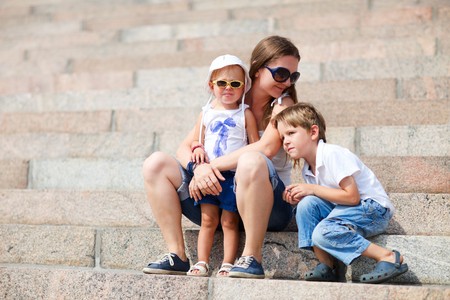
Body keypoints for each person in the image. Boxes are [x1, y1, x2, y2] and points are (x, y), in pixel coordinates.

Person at [142, 35, 301, 279]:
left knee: (252, 159)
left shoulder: (282, 104)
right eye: (281, 73)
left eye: (293, 76)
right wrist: (198, 169)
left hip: (268, 206)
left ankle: (251, 257)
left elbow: (266, 148)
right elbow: (184, 148)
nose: (287, 82)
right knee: (156, 164)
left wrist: (209, 167)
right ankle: (177, 255)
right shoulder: (227, 96)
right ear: (258, 68)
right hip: (217, 196)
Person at [273, 102, 409, 284]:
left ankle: (388, 256)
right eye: (282, 137)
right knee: (305, 206)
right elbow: (324, 198)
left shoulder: (332, 154)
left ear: (313, 132)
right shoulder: (308, 168)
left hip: (372, 209)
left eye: (291, 133)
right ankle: (327, 266)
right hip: (344, 210)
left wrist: (312, 189)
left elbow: (352, 197)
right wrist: (302, 195)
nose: (286, 141)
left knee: (322, 232)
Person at [185, 54, 259, 277]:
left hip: (232, 175)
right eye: (222, 83)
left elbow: (255, 144)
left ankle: (227, 262)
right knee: (208, 219)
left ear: (244, 87)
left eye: (235, 84)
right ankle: (201, 262)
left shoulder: (244, 113)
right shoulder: (206, 112)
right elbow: (197, 139)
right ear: (211, 85)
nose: (228, 88)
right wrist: (197, 148)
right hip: (209, 176)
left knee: (229, 220)